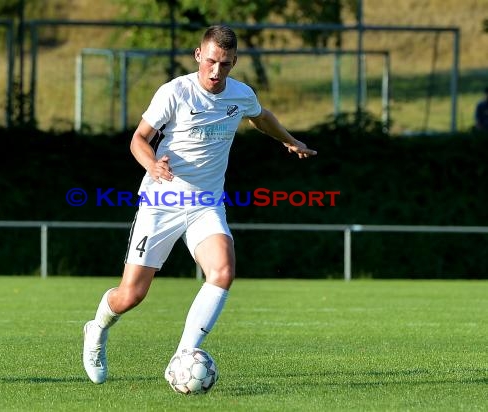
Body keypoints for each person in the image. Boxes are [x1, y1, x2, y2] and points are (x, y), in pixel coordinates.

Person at [82, 24, 317, 384]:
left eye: (224, 64)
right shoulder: (175, 92)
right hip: (162, 201)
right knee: (131, 295)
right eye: (210, 61)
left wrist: (289, 140)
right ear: (198, 56)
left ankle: (184, 355)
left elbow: (260, 116)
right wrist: (152, 164)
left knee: (222, 271)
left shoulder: (239, 94)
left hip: (206, 204)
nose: (215, 71)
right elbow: (139, 139)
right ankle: (97, 329)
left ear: (234, 62)